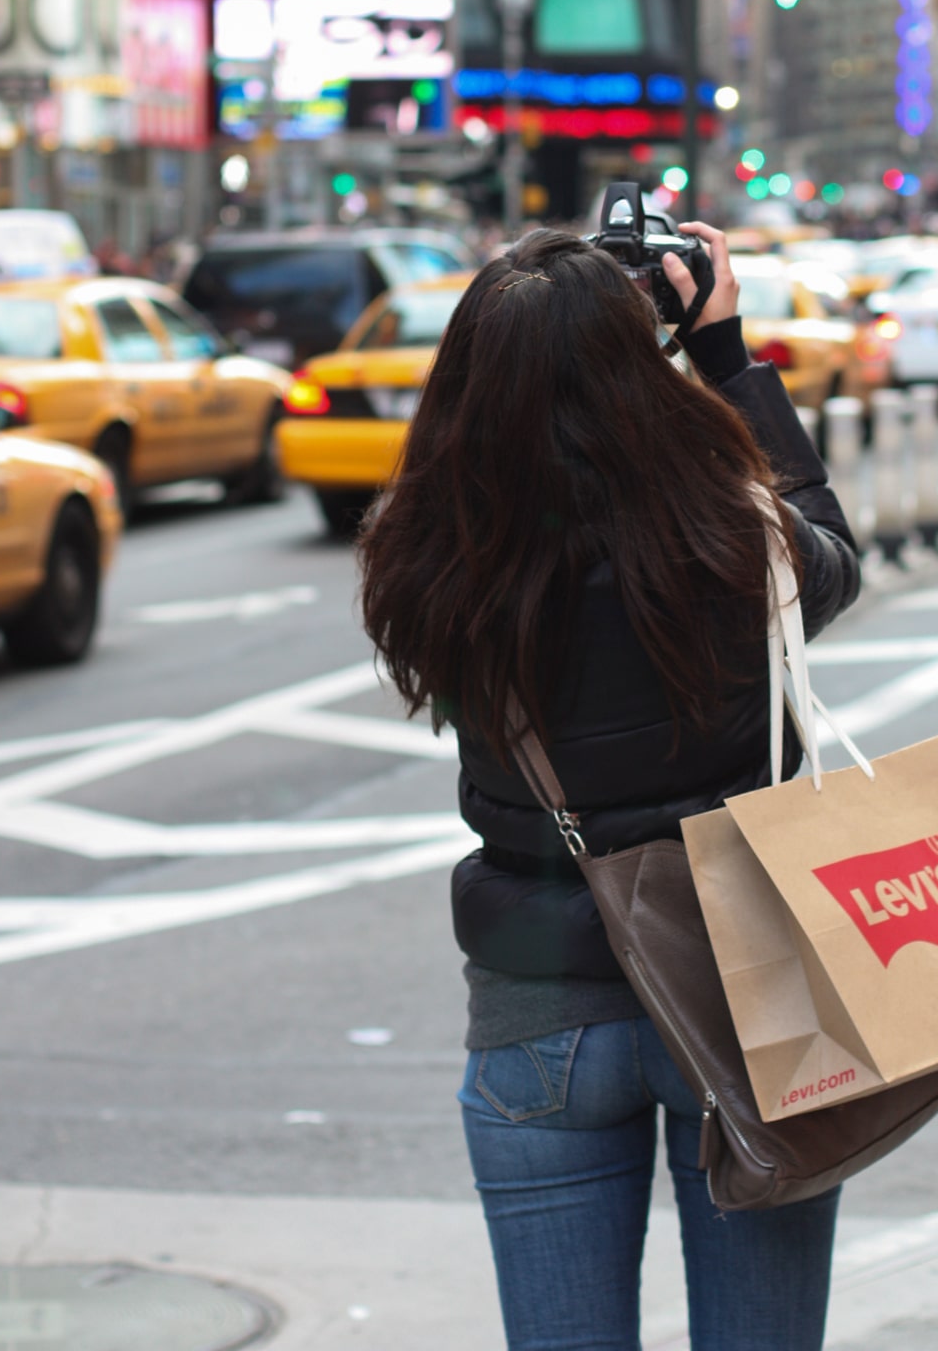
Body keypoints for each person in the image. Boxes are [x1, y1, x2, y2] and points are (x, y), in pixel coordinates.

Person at [360, 221, 862, 1351]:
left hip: (538, 1017)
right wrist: (724, 355)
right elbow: (829, 547)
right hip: (744, 998)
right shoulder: (730, 538)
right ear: (643, 375)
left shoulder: (427, 558)